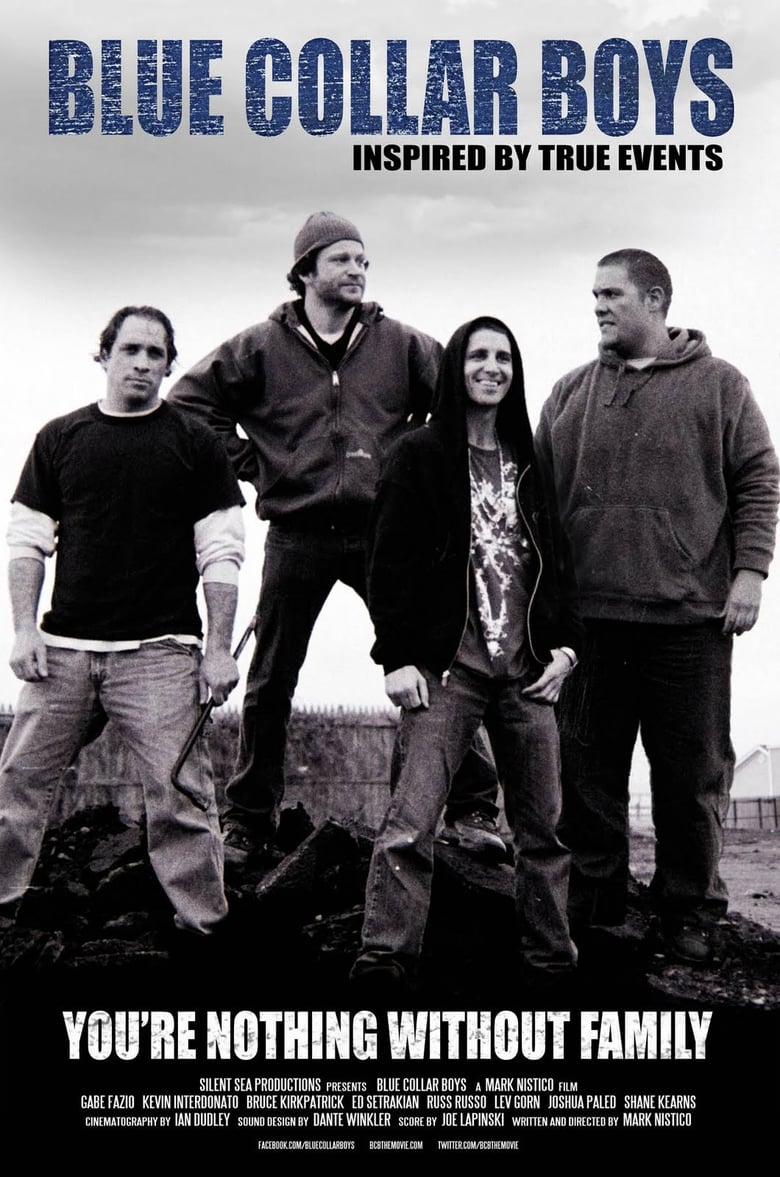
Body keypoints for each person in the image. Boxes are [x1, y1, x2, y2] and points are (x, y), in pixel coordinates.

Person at [168, 211, 503, 865]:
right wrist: (256, 465)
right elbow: (188, 405)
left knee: (432, 662)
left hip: (387, 533)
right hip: (298, 533)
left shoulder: (401, 344)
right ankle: (249, 819)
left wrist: (412, 466)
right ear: (305, 271)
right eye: (342, 259)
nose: (357, 270)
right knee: (270, 679)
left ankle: (472, 808)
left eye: (363, 261)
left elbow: (456, 403)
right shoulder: (258, 348)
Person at [536, 248, 780, 964]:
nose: (598, 307)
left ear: (654, 299)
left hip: (689, 623)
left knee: (690, 776)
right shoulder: (570, 392)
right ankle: (596, 903)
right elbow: (536, 502)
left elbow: (759, 479)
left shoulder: (720, 386)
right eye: (594, 295)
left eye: (611, 294)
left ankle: (690, 909)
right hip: (590, 624)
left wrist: (750, 574)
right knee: (586, 776)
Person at [350, 317, 581, 998]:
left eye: (503, 356)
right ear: (456, 367)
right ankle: (385, 958)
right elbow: (386, 561)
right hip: (447, 668)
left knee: (543, 830)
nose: (491, 367)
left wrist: (567, 648)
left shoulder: (529, 459)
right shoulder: (419, 453)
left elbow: (559, 562)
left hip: (527, 672)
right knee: (410, 823)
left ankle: (551, 962)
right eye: (478, 355)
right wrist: (396, 657)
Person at [0, 306, 245, 939]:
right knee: (17, 786)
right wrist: (24, 631)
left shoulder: (195, 442)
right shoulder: (60, 437)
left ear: (169, 365)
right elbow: (26, 541)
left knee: (180, 795)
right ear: (105, 354)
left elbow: (221, 553)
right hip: (62, 652)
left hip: (160, 654)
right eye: (130, 349)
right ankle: (2, 915)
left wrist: (218, 650)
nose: (142, 363)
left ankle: (204, 928)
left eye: (155, 353)